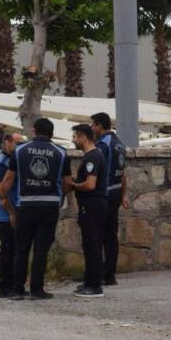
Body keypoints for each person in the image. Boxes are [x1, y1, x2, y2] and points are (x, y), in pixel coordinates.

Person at [0, 117, 69, 300]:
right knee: (41, 250)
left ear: (34, 131)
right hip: (49, 206)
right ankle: (37, 290)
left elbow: (8, 179)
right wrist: (59, 198)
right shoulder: (61, 153)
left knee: (21, 249)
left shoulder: (20, 150)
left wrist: (3, 198)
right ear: (52, 133)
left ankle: (17, 289)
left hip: (25, 206)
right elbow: (67, 182)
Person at [65, 123, 108, 298]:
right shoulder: (93, 156)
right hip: (92, 206)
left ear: (83, 136)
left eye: (75, 136)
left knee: (92, 245)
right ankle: (90, 280)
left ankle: (94, 285)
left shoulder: (92, 158)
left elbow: (90, 185)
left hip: (92, 206)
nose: (73, 140)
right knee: (90, 244)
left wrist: (74, 185)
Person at [90, 112, 129, 287]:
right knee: (111, 235)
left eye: (93, 125)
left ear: (99, 126)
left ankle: (98, 274)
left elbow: (97, 169)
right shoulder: (120, 144)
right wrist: (124, 195)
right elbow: (123, 174)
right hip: (115, 192)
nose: (92, 128)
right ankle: (110, 274)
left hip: (104, 194)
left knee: (98, 234)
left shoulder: (103, 145)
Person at [0, 132, 23, 298]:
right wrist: (12, 213)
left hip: (13, 212)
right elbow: (1, 194)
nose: (19, 147)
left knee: (15, 250)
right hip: (5, 215)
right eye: (17, 144)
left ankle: (14, 284)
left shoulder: (13, 160)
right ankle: (4, 286)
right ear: (7, 142)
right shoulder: (2, 164)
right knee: (7, 250)